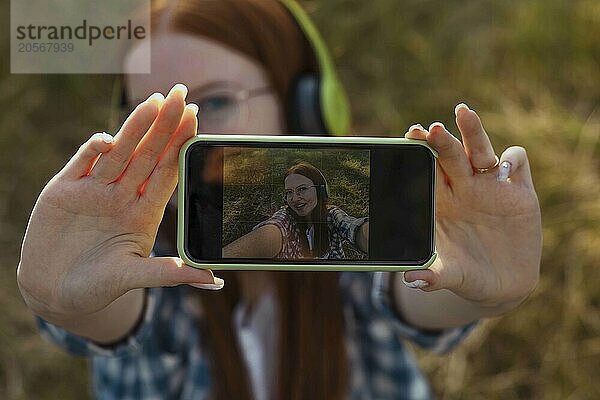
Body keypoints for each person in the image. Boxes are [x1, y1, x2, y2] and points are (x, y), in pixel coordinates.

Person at [16, 1, 542, 399]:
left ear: (304, 106)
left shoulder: (343, 231)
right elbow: (114, 313)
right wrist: (69, 304)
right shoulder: (146, 255)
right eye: (147, 120)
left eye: (215, 102)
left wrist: (478, 290)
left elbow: (416, 292)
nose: (181, 143)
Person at [224, 162, 369, 259]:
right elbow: (273, 229)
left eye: (302, 189)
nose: (294, 198)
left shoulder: (332, 216)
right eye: (289, 192)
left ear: (321, 191)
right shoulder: (285, 217)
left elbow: (353, 227)